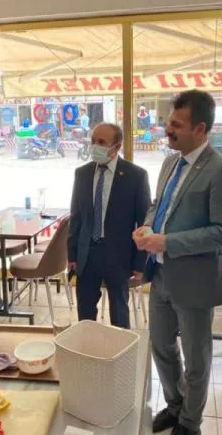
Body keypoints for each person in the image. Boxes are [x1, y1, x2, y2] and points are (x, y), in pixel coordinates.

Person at [134, 90, 222, 435]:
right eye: (169, 122)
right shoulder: (170, 163)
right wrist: (148, 227)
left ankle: (190, 422)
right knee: (161, 347)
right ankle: (175, 405)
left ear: (200, 129)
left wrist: (168, 241)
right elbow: (158, 205)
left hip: (195, 279)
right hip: (161, 273)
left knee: (196, 358)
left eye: (176, 125)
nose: (168, 129)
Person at [68, 123, 151, 329]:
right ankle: (87, 345)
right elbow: (76, 216)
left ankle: (121, 347)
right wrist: (72, 255)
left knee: (119, 311)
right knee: (85, 311)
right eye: (93, 141)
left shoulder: (135, 176)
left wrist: (140, 263)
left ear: (117, 146)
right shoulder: (82, 173)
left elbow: (143, 221)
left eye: (102, 142)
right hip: (87, 253)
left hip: (118, 255)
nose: (95, 146)